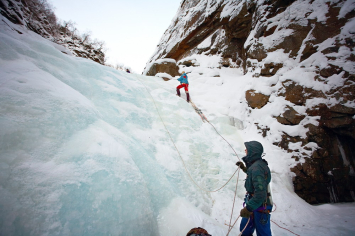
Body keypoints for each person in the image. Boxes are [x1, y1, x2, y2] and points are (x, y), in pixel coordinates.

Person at [236, 141, 273, 236]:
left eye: (247, 149)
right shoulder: (257, 165)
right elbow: (256, 177)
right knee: (245, 230)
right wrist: (245, 169)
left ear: (253, 152)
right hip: (255, 203)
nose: (245, 150)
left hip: (259, 206)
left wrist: (248, 208)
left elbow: (260, 193)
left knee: (262, 233)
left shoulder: (257, 168)